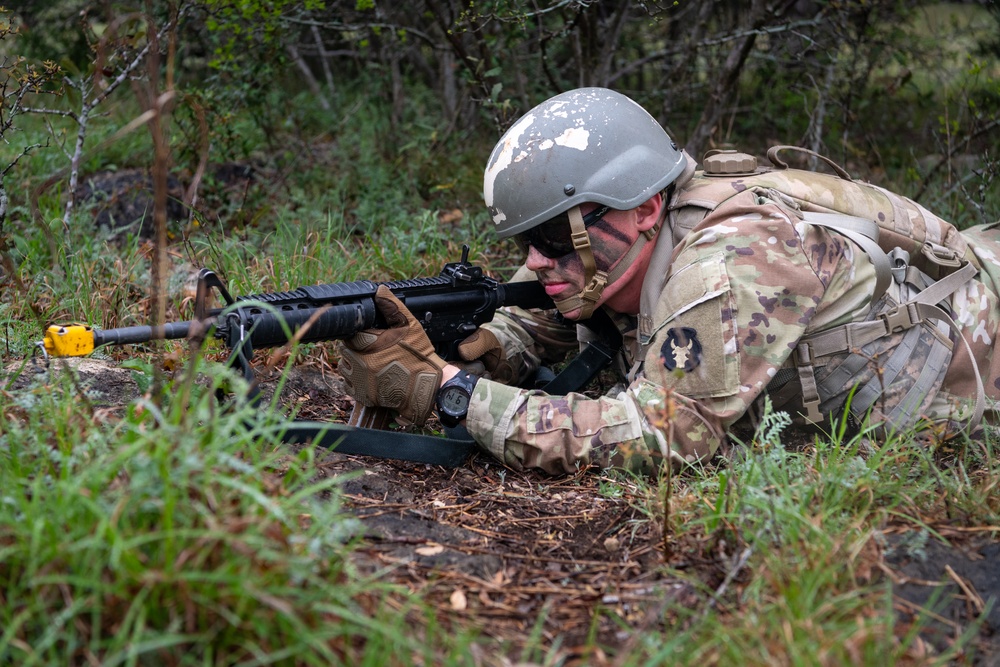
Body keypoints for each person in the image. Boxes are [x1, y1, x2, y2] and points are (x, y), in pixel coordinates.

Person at [338, 87, 1000, 475]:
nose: (537, 262)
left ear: (643, 205)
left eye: (549, 239)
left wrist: (461, 397)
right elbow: (536, 309)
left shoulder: (731, 262)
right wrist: (488, 345)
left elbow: (664, 434)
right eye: (526, 242)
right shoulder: (611, 245)